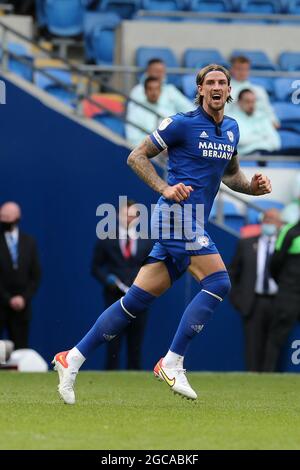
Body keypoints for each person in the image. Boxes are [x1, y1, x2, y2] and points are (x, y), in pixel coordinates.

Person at [53, 64, 271, 404]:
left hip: (194, 220)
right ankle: (172, 361)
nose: (216, 87)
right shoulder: (181, 123)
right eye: (210, 82)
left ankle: (73, 358)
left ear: (230, 91)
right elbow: (136, 157)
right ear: (200, 90)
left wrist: (254, 188)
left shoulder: (231, 129)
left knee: (134, 302)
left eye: (222, 83)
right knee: (218, 282)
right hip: (173, 216)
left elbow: (231, 176)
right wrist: (164, 187)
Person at [91, 199, 153, 370]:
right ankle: (110, 377)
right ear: (118, 215)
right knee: (112, 342)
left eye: (133, 215)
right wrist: (108, 280)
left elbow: (152, 267)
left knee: (136, 343)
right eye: (126, 214)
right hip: (113, 297)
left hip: (139, 297)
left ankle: (134, 379)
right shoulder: (106, 238)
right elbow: (95, 267)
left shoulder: (146, 241)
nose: (129, 218)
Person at [229, 209, 282, 372]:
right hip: (253, 302)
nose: (269, 223)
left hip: (278, 302)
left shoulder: (284, 245)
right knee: (252, 345)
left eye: (273, 220)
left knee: (273, 346)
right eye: (266, 219)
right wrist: (238, 299)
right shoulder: (245, 244)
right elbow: (233, 273)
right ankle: (252, 379)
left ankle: (270, 380)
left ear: (280, 225)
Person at [0, 202, 41, 349]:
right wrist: (7, 298)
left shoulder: (29, 242)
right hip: (2, 301)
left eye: (7, 217)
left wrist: (23, 298)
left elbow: (35, 275)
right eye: (1, 217)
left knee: (20, 350)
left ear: (17, 218)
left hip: (22, 307)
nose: (4, 220)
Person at [263, 219, 300, 372]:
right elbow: (275, 263)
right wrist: (285, 285)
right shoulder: (289, 231)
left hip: (288, 291)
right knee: (277, 336)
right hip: (288, 294)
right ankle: (267, 374)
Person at [226, 56, 279, 128]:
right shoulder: (225, 91)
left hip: (258, 127)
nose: (242, 72)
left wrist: (273, 120)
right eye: (239, 69)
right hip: (237, 127)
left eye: (245, 69)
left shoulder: (259, 90)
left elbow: (267, 110)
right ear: (231, 70)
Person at [229, 89, 281, 156]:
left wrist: (252, 138)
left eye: (253, 101)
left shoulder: (263, 117)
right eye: (247, 101)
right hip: (246, 157)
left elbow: (276, 143)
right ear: (239, 102)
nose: (251, 105)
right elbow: (240, 141)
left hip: (267, 154)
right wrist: (263, 137)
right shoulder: (231, 119)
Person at [126, 77, 167, 147]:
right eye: (150, 89)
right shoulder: (136, 112)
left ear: (160, 91)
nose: (154, 93)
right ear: (145, 91)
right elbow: (132, 139)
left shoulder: (167, 111)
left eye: (157, 89)